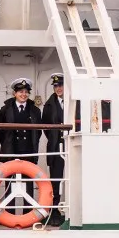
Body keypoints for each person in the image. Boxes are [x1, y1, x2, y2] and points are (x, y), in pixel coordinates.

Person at [42, 73, 79, 226]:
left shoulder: (75, 101)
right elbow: (45, 126)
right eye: (56, 86)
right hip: (56, 146)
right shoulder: (49, 105)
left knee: (75, 177)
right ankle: (54, 212)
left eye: (61, 85)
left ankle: (75, 210)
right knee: (56, 179)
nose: (58, 88)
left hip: (73, 145)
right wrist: (55, 138)